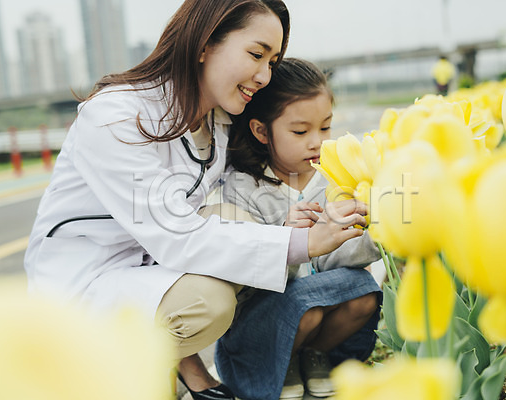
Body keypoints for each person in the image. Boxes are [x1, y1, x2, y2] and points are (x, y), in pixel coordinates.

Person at [23, 2, 369, 400]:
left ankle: (178, 363)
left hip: (151, 268)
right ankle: (111, 370)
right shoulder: (115, 115)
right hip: (85, 284)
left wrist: (330, 212)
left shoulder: (217, 121)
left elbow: (257, 189)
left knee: (238, 220)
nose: (264, 75)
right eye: (256, 54)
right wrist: (303, 242)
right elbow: (177, 235)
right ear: (205, 43)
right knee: (209, 303)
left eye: (272, 62)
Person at [215, 58, 382, 400]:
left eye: (326, 127)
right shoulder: (242, 189)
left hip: (315, 313)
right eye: (300, 132)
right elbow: (244, 284)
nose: (317, 142)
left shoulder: (335, 178)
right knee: (309, 308)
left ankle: (314, 356)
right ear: (262, 131)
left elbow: (332, 263)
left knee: (364, 293)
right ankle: (283, 362)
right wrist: (287, 242)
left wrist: (377, 230)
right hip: (261, 325)